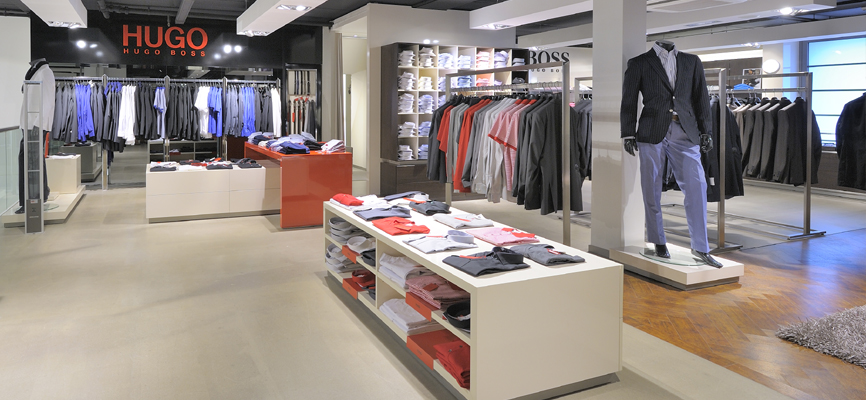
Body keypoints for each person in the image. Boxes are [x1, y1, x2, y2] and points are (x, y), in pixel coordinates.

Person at [620, 40, 723, 268]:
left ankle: (701, 246)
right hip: (651, 130)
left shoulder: (691, 61)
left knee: (697, 186)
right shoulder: (639, 63)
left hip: (685, 130)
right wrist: (627, 133)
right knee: (651, 187)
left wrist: (706, 131)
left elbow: (701, 97)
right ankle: (658, 240)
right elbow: (629, 100)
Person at [17, 58, 54, 214]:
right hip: (29, 124)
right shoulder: (36, 71)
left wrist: (38, 125)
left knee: (31, 162)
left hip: (35, 125)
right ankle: (39, 194)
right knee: (30, 161)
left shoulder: (45, 73)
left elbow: (48, 101)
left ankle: (32, 199)